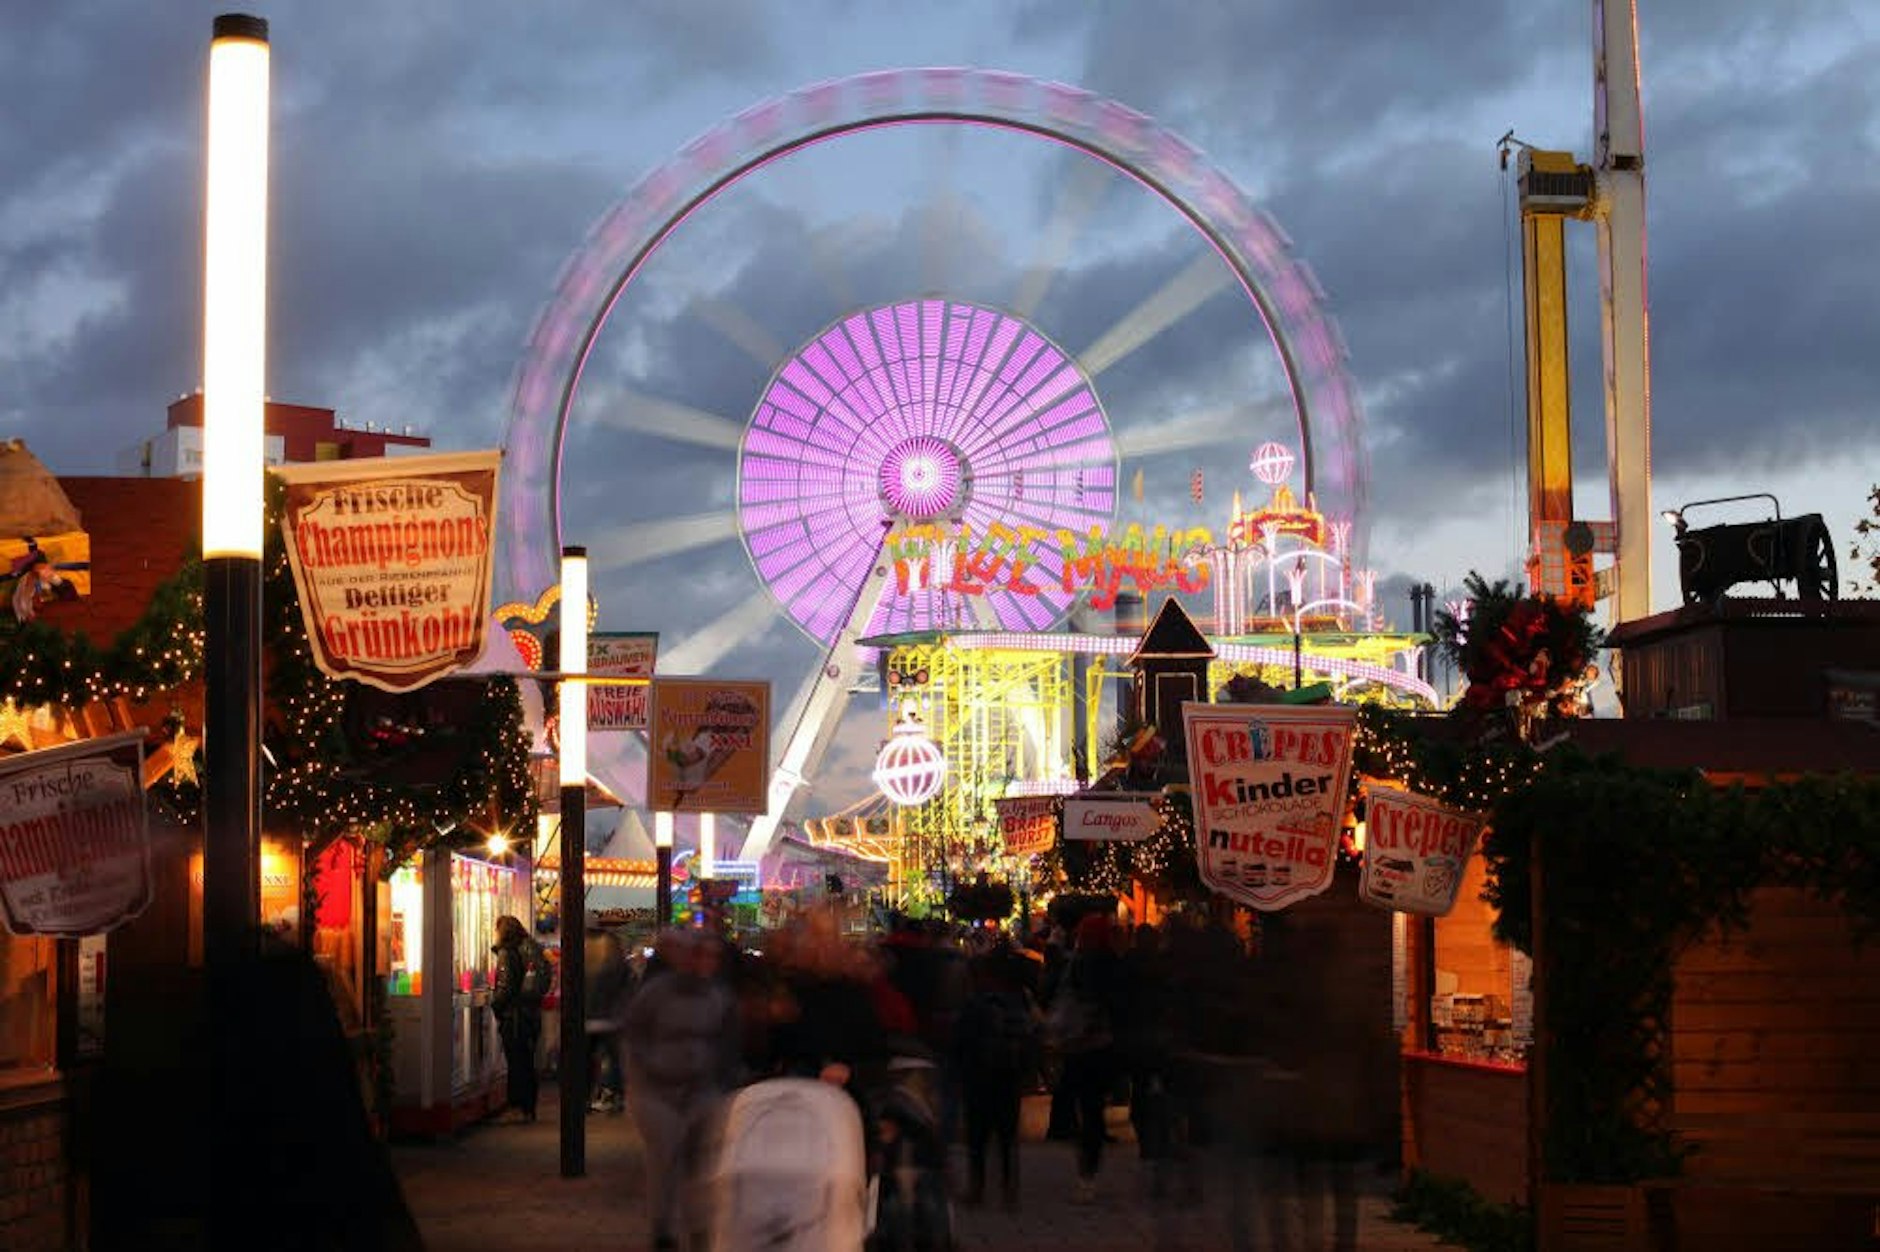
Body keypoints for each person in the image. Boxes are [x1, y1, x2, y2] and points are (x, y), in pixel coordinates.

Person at [622, 928, 742, 1252]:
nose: (707, 963)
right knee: (666, 1158)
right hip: (657, 1090)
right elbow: (635, 1035)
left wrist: (720, 1078)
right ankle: (666, 1230)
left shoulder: (719, 996)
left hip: (701, 1087)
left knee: (700, 1163)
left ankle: (698, 1228)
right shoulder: (658, 993)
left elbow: (728, 1042)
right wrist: (651, 1069)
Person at [1049, 912, 1128, 1204]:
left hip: (1076, 1045)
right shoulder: (1114, 965)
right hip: (1101, 1045)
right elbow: (1120, 1005)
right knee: (1094, 1110)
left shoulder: (1077, 964)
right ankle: (1088, 1172)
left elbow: (1059, 995)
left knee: (1077, 1103)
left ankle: (1084, 1166)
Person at [490, 913, 548, 1123]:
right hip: (530, 1015)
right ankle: (528, 1109)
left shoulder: (507, 953)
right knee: (527, 1062)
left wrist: (495, 1005)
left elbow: (505, 988)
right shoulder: (526, 949)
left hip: (514, 1018)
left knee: (516, 1064)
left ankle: (517, 1108)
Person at [585, 924, 635, 1113]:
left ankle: (585, 1099)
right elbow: (625, 979)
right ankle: (613, 1095)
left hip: (586, 1015)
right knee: (614, 1058)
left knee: (584, 1060)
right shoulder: (611, 946)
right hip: (610, 1016)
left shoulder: (581, 947)